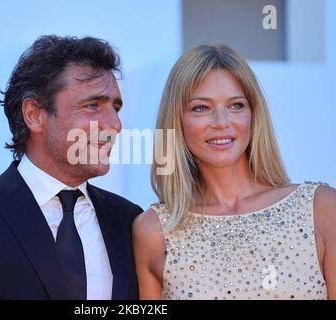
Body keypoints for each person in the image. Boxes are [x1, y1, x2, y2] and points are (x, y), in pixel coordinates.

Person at [0, 35, 142, 299]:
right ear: (34, 115)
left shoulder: (128, 220)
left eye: (116, 108)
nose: (115, 125)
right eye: (92, 106)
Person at [133, 44, 336, 300]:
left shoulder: (322, 209)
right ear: (177, 121)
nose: (221, 122)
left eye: (236, 106)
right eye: (201, 108)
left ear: (253, 114)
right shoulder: (153, 231)